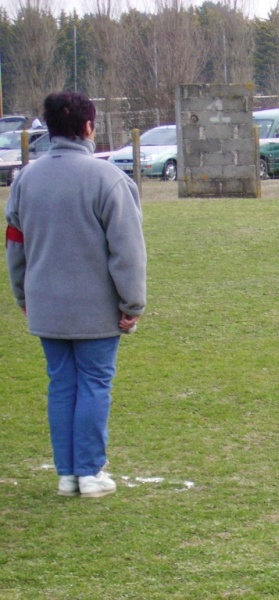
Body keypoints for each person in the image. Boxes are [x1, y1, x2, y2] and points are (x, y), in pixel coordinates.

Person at [5, 92, 146, 499]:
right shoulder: (109, 180)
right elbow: (128, 252)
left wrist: (22, 295)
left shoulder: (25, 180)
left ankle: (67, 474)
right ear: (89, 126)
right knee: (94, 384)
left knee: (61, 385)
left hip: (45, 302)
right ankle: (89, 471)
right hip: (95, 308)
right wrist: (132, 304)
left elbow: (15, 244)